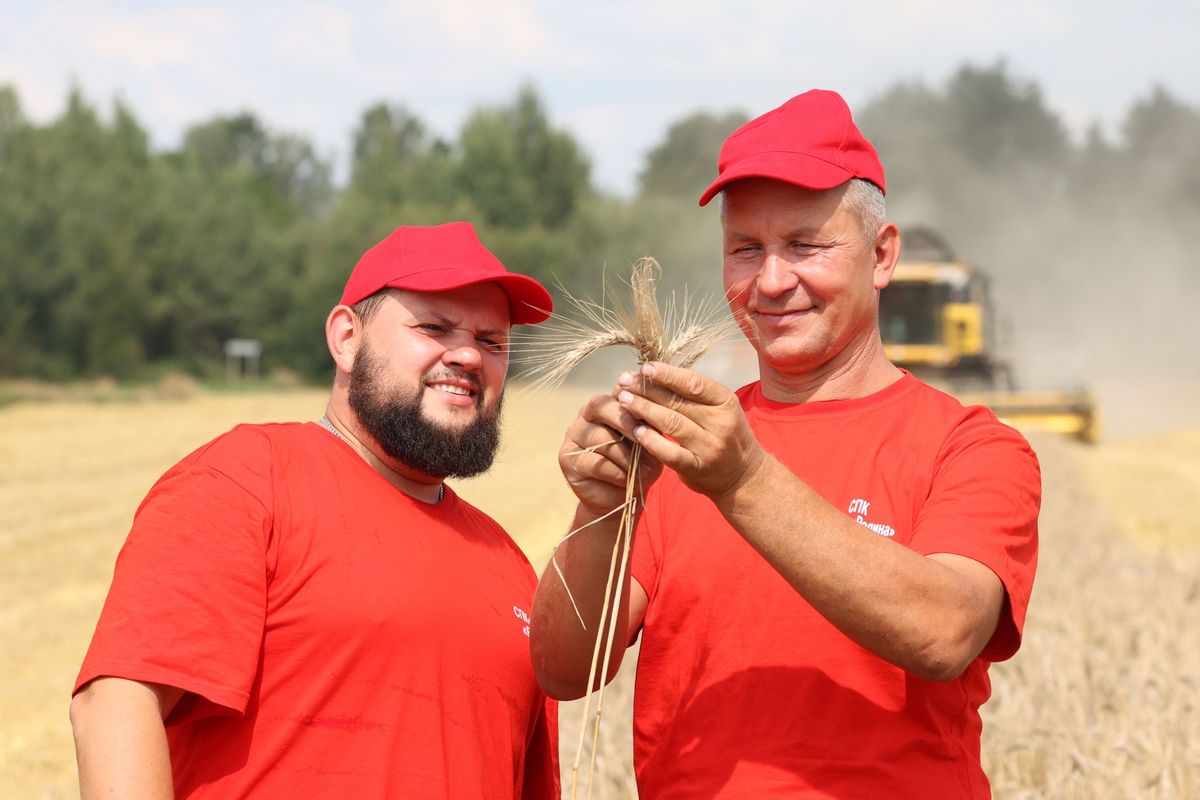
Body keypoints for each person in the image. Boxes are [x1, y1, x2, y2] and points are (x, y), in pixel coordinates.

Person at [530, 90, 1041, 798]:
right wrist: (598, 508)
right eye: (746, 250)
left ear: (882, 255)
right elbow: (564, 670)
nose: (772, 281)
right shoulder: (682, 447)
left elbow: (943, 631)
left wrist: (741, 480)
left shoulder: (971, 447)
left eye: (805, 245)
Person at [71, 222, 560, 799]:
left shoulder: (511, 567)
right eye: (434, 327)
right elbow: (117, 702)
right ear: (346, 338)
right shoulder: (248, 480)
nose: (468, 356)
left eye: (492, 340)